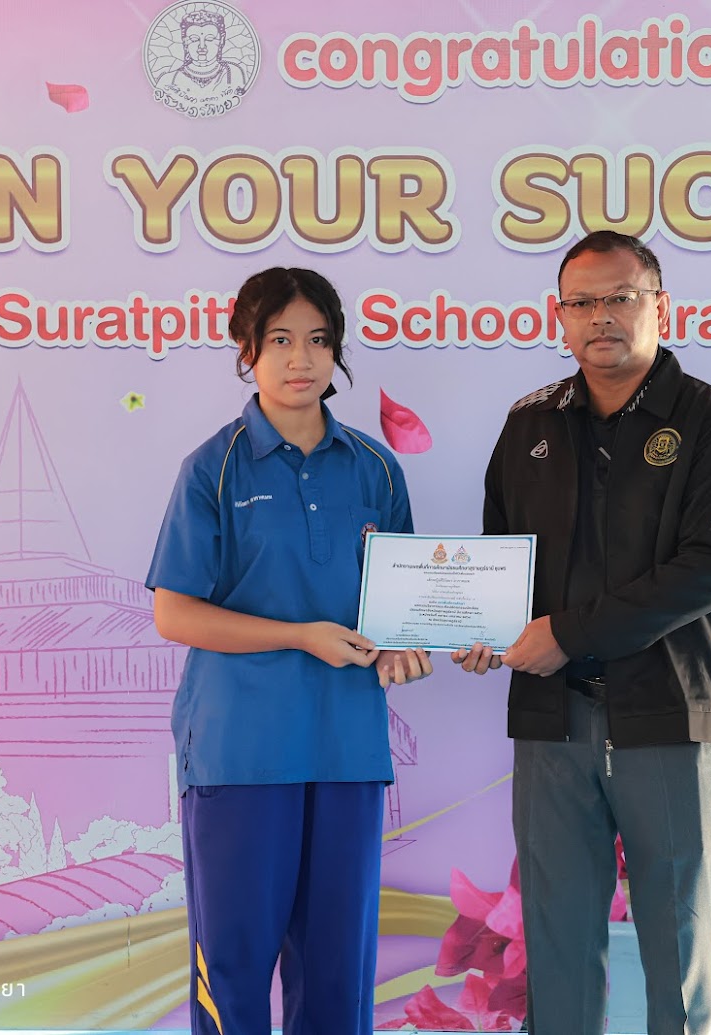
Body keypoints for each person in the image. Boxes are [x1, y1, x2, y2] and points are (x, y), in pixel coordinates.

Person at [454, 231, 711, 1035]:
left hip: (665, 713)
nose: (600, 317)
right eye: (581, 303)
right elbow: (499, 559)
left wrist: (566, 632)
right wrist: (480, 624)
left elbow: (705, 570)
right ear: (559, 316)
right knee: (555, 944)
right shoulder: (529, 425)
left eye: (619, 297)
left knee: (676, 946)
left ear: (659, 306)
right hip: (552, 720)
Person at [147, 267, 431, 1035]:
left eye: (317, 339)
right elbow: (173, 612)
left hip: (346, 749)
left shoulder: (375, 467)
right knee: (233, 972)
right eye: (279, 339)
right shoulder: (214, 467)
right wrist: (300, 635)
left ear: (337, 351)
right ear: (247, 349)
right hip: (241, 752)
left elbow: (399, 609)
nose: (300, 358)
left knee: (337, 977)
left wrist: (402, 647)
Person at [157, 8, 249, 104]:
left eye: (209, 39)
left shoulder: (233, 73)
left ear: (221, 40)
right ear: (185, 42)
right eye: (194, 39)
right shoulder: (169, 80)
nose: (202, 46)